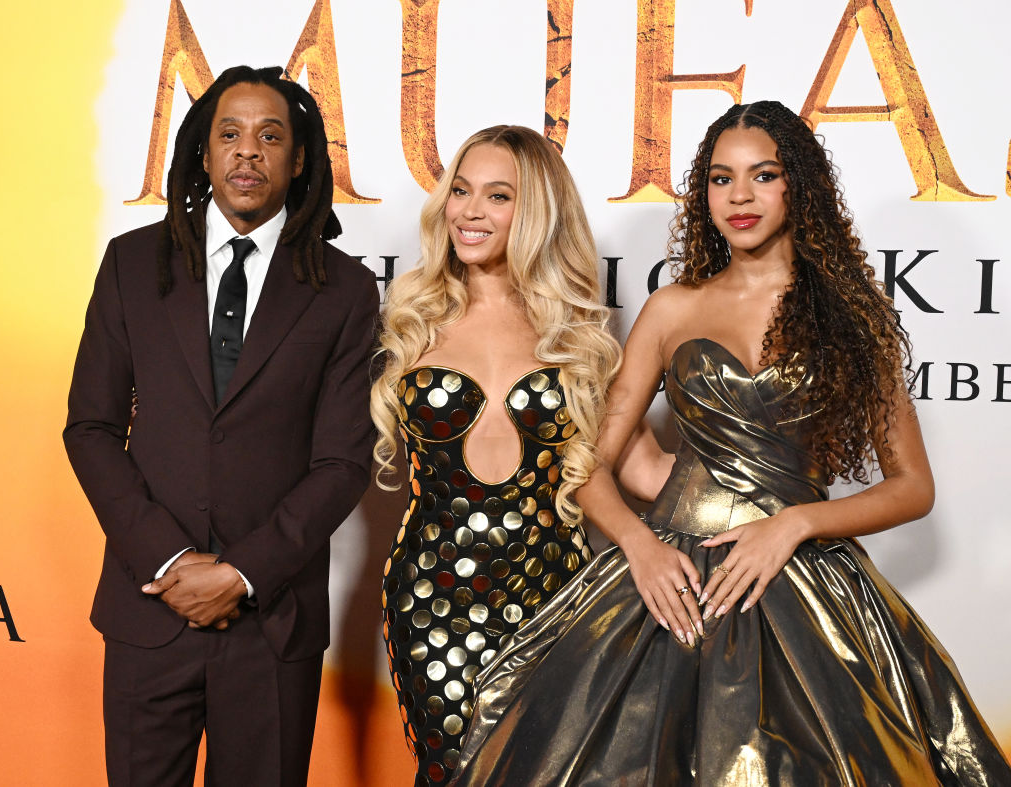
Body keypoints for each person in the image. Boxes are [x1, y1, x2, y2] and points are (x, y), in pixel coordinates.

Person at [451, 101, 1011, 785]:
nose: (739, 196)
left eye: (762, 174)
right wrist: (641, 548)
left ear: (797, 185)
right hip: (672, 579)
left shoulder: (854, 314)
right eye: (720, 179)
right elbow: (589, 466)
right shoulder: (672, 309)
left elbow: (912, 486)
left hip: (802, 580)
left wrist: (795, 523)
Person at [64, 65, 379, 786]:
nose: (248, 152)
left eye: (270, 137)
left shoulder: (346, 291)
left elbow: (342, 463)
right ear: (202, 153)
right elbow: (90, 426)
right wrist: (171, 563)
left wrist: (241, 573)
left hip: (272, 624)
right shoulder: (131, 263)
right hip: (148, 610)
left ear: (298, 160)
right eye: (229, 134)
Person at [370, 125, 622, 786]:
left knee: (545, 773)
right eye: (460, 190)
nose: (470, 211)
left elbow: (638, 465)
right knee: (455, 770)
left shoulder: (573, 332)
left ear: (536, 212)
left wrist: (748, 506)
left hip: (556, 595)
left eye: (498, 195)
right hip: (433, 598)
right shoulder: (415, 315)